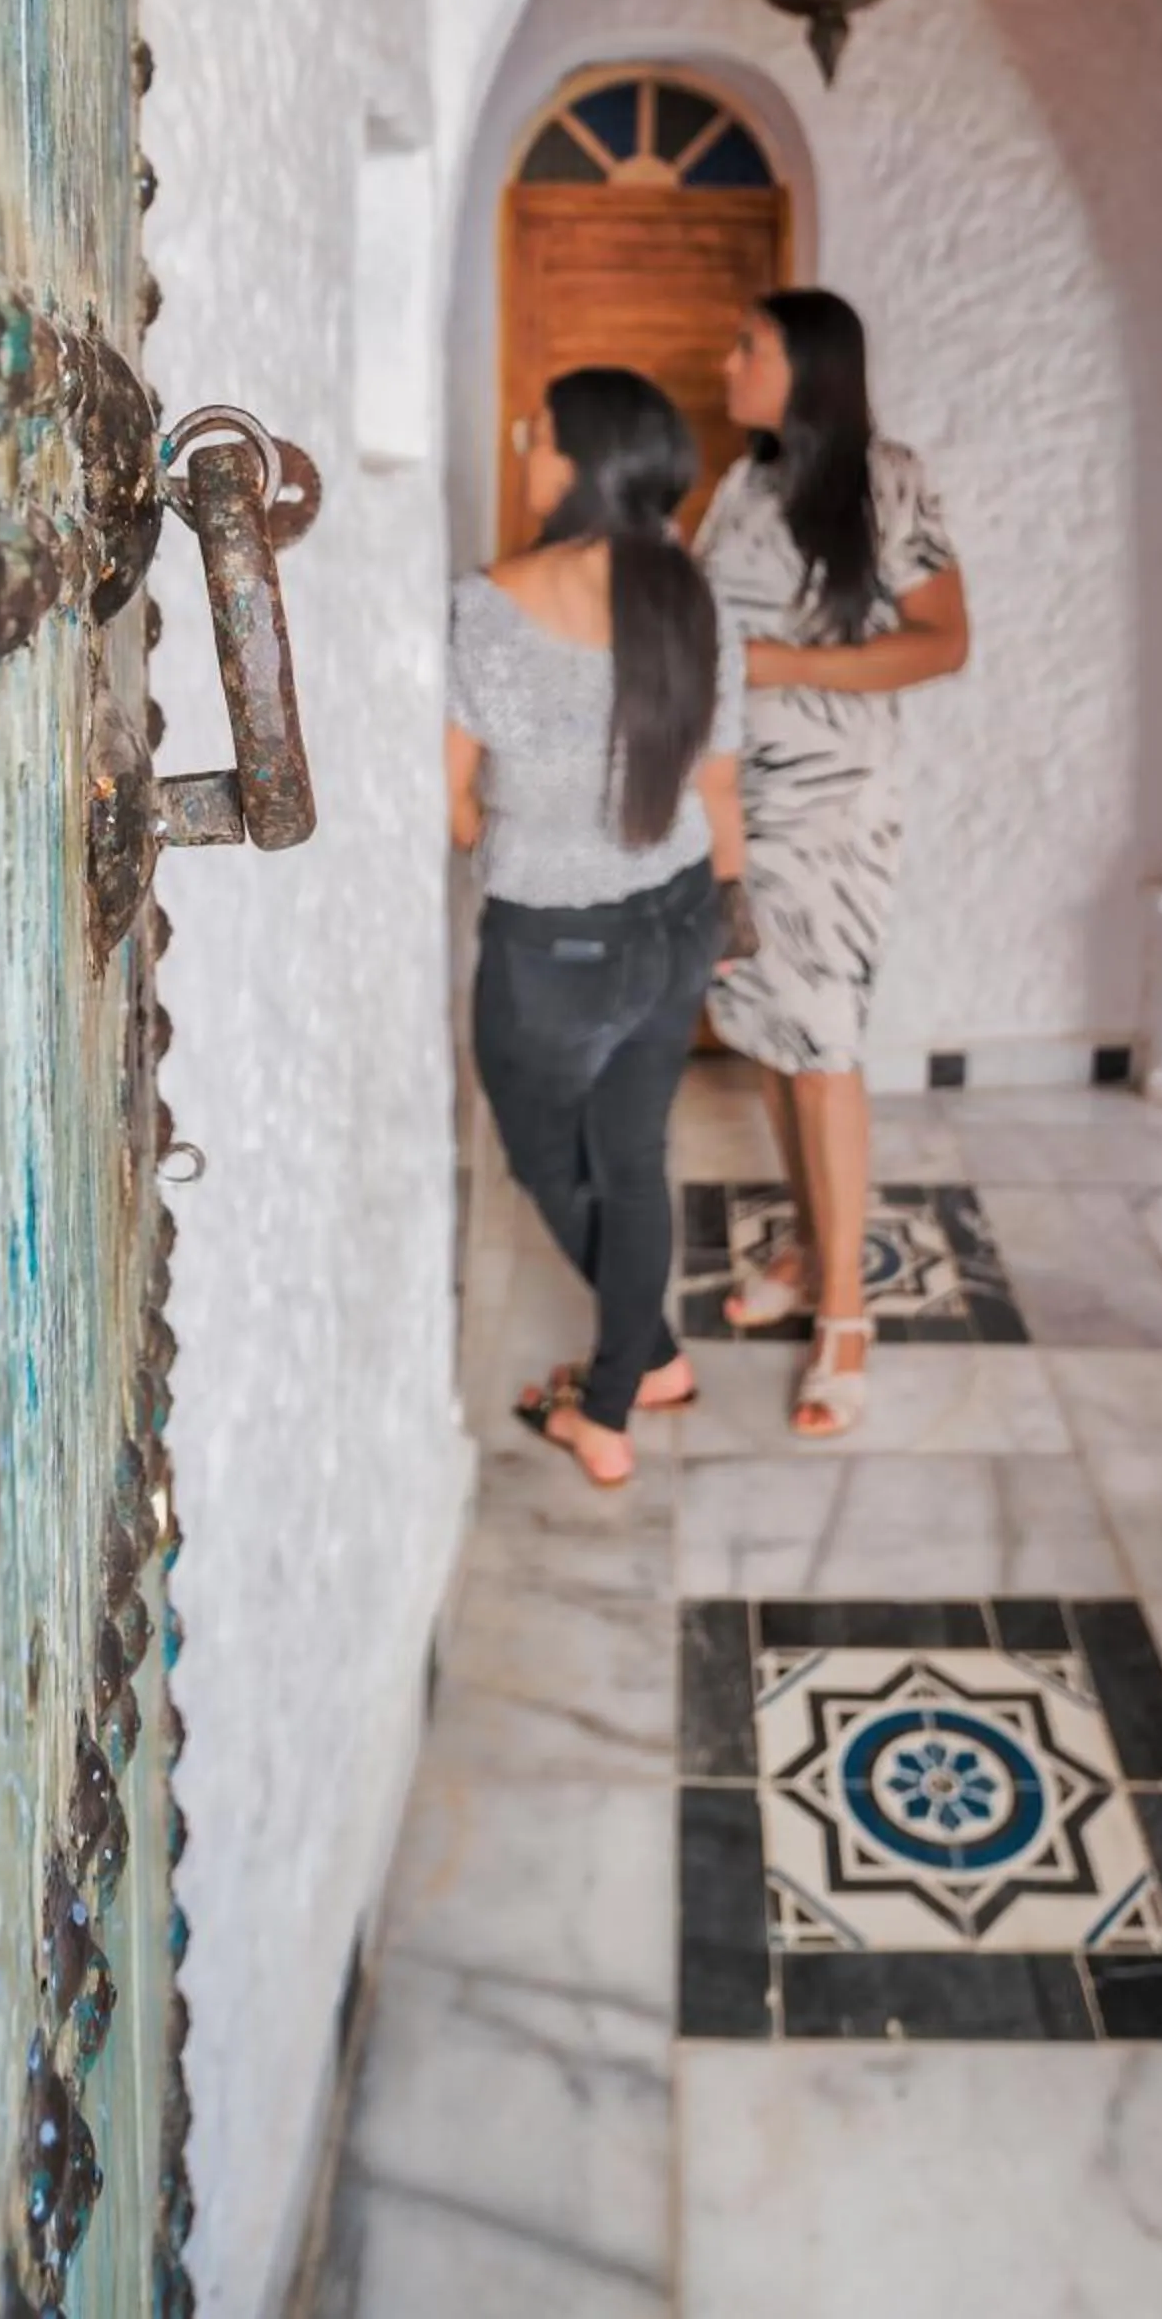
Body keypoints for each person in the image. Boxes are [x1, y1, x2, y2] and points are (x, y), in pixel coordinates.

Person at [446, 366, 756, 1491]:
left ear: (575, 466)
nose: (524, 451)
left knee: (545, 1158)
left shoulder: (487, 603)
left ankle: (609, 1408)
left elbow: (456, 801)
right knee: (629, 1162)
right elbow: (717, 788)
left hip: (553, 950)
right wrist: (724, 921)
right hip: (677, 919)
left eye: (535, 436)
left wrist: (513, 832)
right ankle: (647, 1364)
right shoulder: (693, 595)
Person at [697, 288, 970, 1439]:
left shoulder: (885, 478)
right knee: (768, 1028)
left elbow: (941, 641)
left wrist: (775, 661)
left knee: (826, 1047)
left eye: (745, 346)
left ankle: (847, 1315)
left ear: (804, 364)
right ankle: (810, 1254)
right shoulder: (738, 485)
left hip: (834, 811)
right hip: (735, 802)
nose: (725, 361)